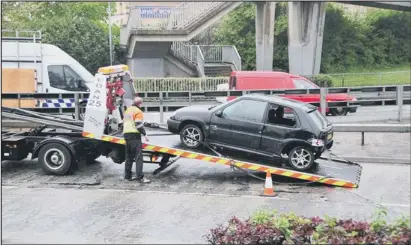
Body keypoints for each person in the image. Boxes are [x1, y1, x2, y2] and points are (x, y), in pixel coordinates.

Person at [122, 96, 151, 183]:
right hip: (134, 136)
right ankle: (140, 177)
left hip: (126, 135)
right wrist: (145, 134)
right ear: (140, 104)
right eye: (142, 103)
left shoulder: (128, 110)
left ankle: (127, 176)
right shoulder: (138, 111)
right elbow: (138, 124)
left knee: (129, 157)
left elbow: (125, 122)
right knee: (138, 157)